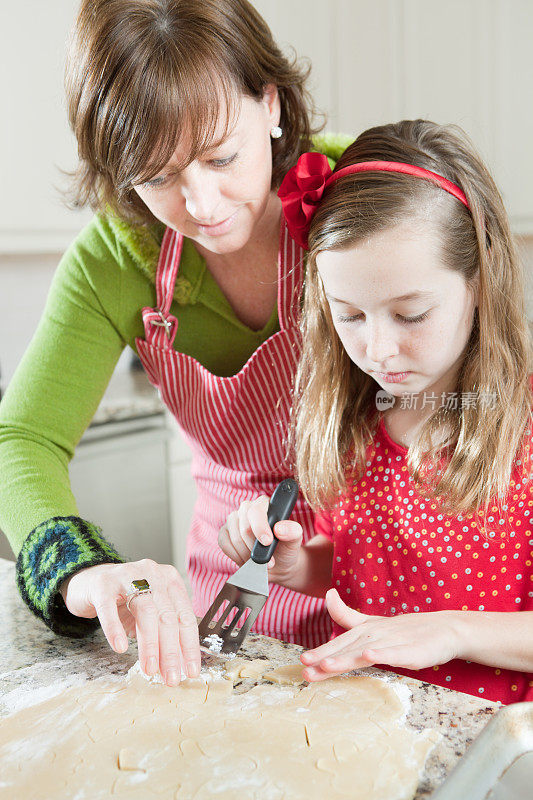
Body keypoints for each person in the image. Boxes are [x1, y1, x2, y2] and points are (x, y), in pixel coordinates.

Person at [0, 0, 352, 685]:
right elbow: (22, 437)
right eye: (157, 176)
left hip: (381, 578)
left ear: (271, 104)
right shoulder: (115, 257)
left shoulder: (363, 197)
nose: (202, 204)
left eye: (222, 156)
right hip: (232, 600)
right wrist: (82, 572)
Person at [218, 119, 533, 704]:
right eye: (351, 316)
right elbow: (367, 559)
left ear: (479, 281)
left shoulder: (524, 432)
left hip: (495, 751)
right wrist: (295, 565)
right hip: (368, 718)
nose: (379, 351)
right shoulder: (355, 421)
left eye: (411, 315)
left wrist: (453, 628)